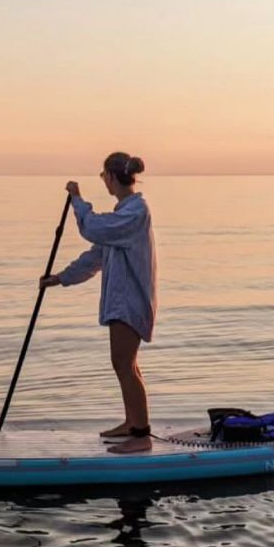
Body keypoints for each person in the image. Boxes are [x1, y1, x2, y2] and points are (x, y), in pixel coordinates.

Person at [40, 152, 157, 454]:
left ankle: (141, 434)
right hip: (122, 301)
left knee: (124, 363)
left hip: (130, 301)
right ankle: (133, 423)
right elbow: (95, 256)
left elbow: (91, 228)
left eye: (104, 175)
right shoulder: (122, 215)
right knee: (124, 363)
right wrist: (61, 278)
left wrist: (77, 199)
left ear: (112, 177)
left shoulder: (135, 212)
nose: (103, 181)